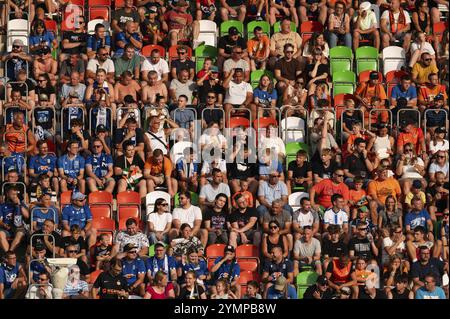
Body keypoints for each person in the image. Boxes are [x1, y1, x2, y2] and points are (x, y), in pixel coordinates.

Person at [0, 186, 29, 252]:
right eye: (13, 194)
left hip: (19, 227)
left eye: (16, 194)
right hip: (6, 227)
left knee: (20, 234)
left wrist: (18, 204)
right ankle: (8, 255)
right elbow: (0, 221)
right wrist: (3, 225)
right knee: (0, 234)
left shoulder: (21, 204)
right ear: (7, 194)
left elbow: (27, 216)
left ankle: (10, 252)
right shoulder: (2, 206)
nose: (15, 196)